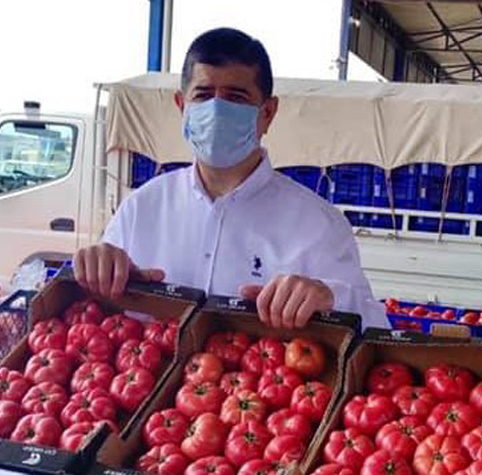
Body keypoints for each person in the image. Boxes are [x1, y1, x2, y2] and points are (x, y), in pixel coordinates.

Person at [73, 27, 387, 329]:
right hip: (146, 381)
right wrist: (99, 267)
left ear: (268, 113)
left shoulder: (318, 225)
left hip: (264, 384)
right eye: (203, 95)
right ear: (182, 106)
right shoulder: (141, 209)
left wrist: (331, 298)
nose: (217, 109)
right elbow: (93, 317)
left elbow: (374, 324)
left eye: (236, 97)